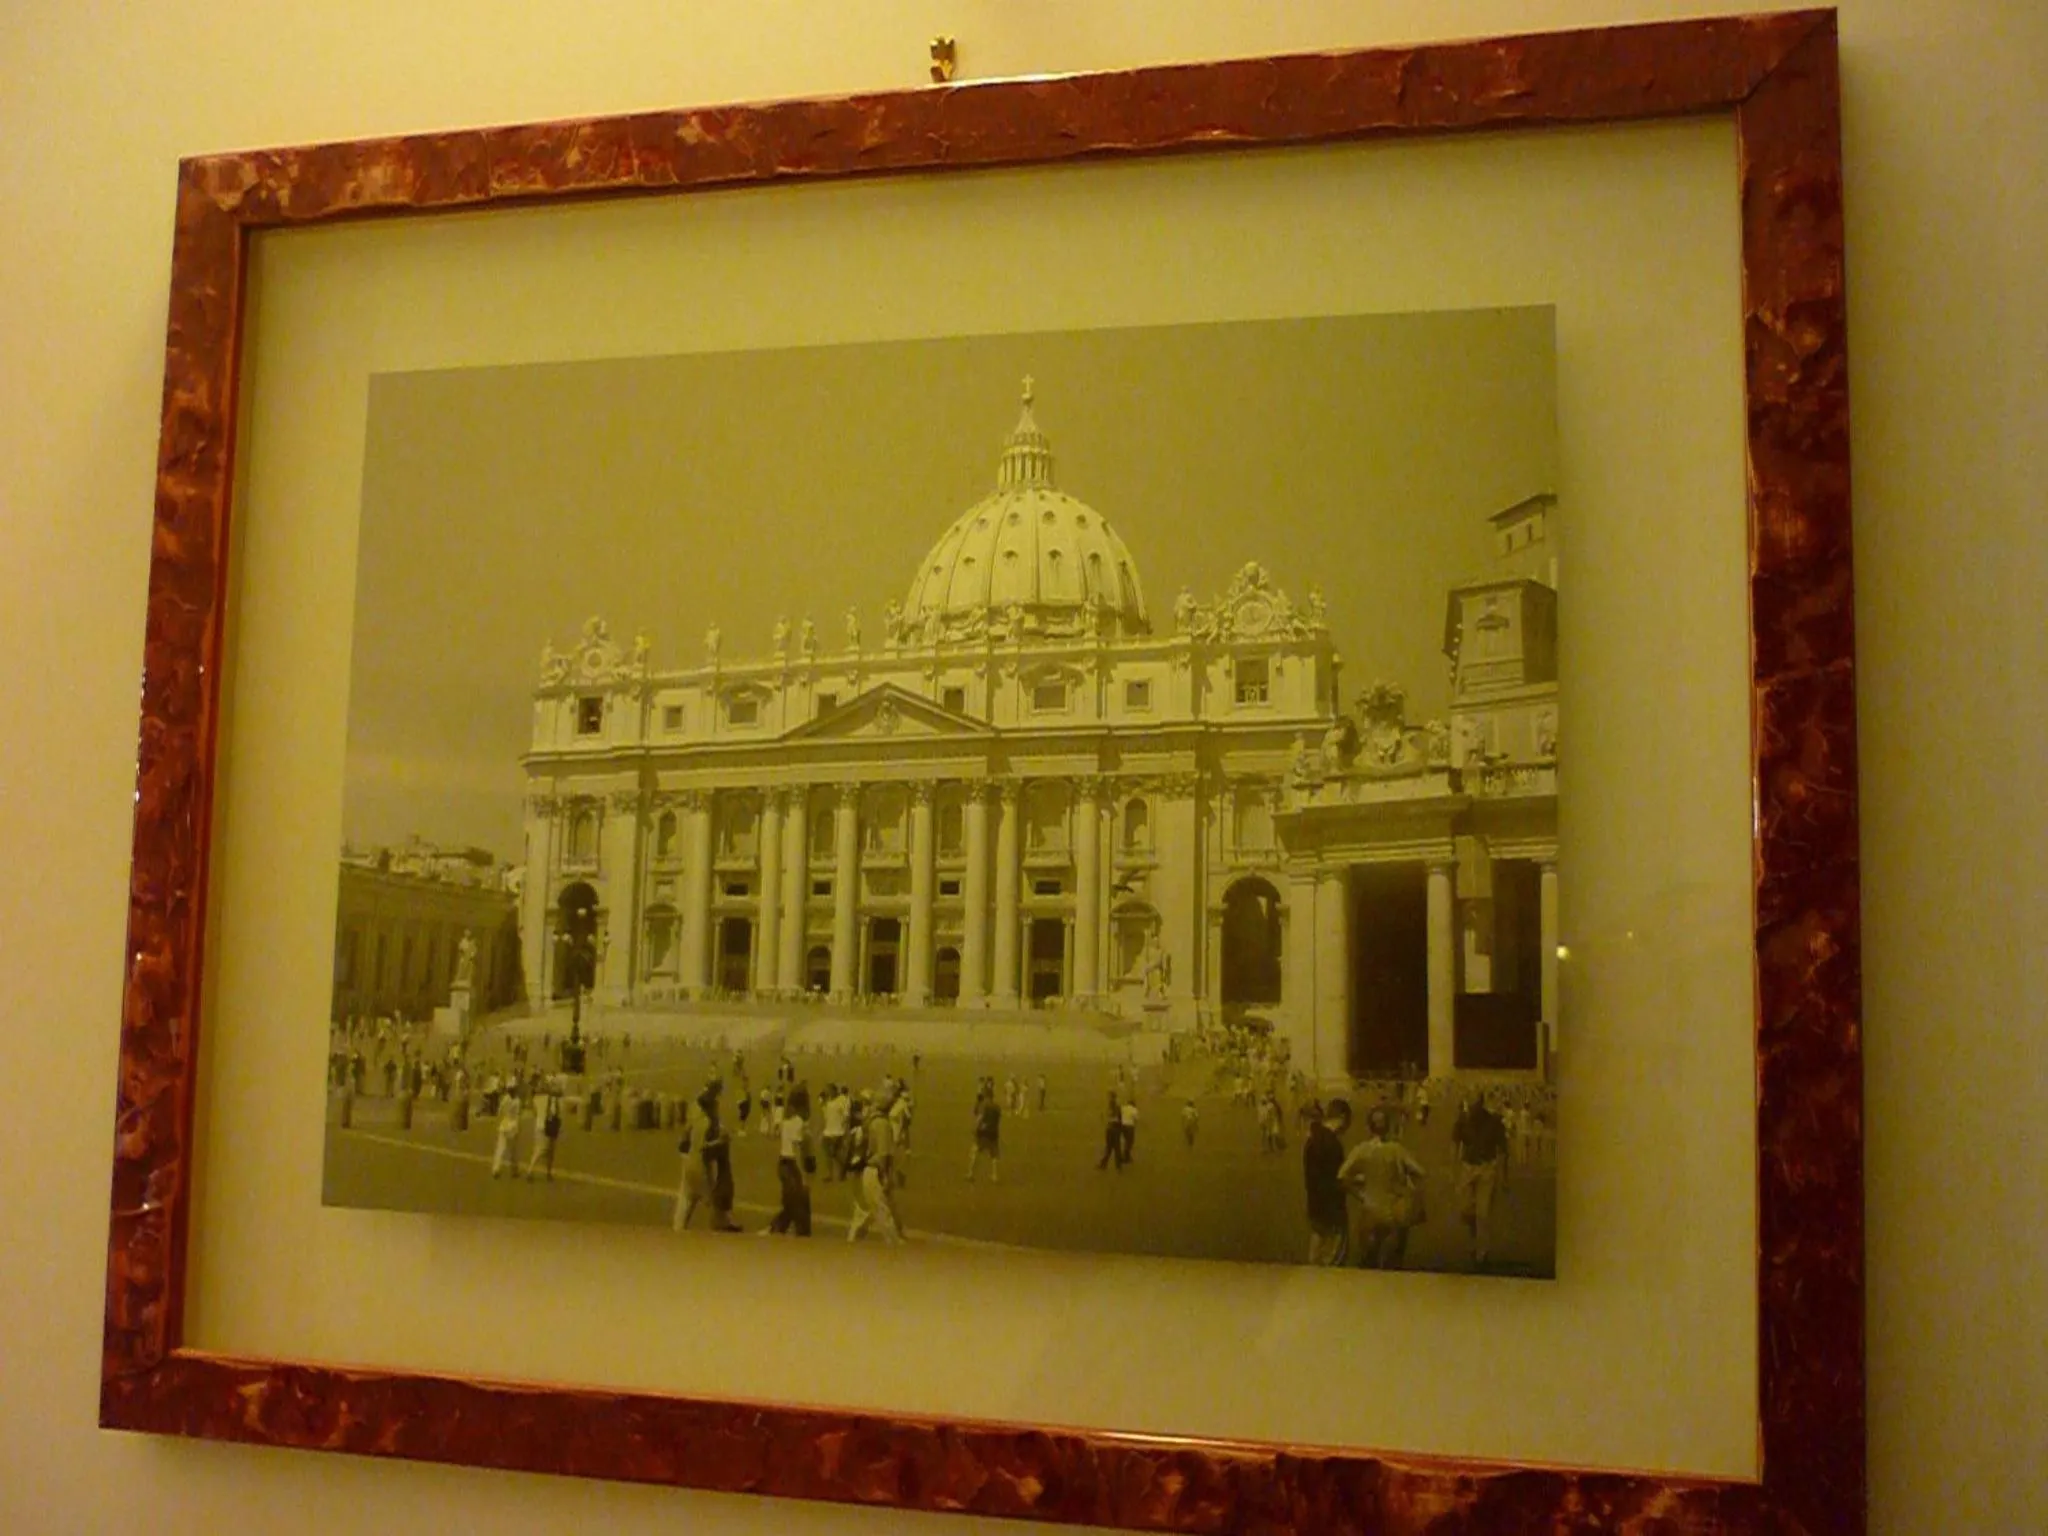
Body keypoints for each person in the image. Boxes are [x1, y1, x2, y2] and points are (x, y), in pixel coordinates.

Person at [1340, 1106, 1428, 1269]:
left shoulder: (1362, 1150)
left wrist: (1359, 1192)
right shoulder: (1397, 1150)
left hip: (1370, 1209)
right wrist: (1407, 1185)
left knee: (1368, 1262)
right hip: (1394, 1211)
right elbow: (1420, 1172)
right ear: (1388, 1126)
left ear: (1369, 1127)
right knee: (1393, 1264)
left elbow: (1342, 1176)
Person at [1453, 1090, 1510, 1267]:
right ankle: (1474, 1238)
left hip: (1487, 1168)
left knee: (1482, 1212)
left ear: (1481, 1105)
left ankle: (1482, 1252)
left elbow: (1503, 1150)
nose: (1471, 1109)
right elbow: (1455, 1143)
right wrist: (1453, 1169)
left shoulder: (1494, 1121)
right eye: (1469, 1105)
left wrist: (1504, 1176)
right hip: (1468, 1167)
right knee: (1466, 1210)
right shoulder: (1463, 1119)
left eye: (1474, 1105)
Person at [1302, 1097, 1353, 1265]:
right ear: (1342, 1118)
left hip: (1315, 1204)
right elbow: (1337, 1179)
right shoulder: (1333, 1144)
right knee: (1335, 1258)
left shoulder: (1312, 1139)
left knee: (1315, 1254)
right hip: (1332, 1208)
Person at [847, 1094, 902, 1244]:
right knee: (881, 1212)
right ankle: (894, 1244)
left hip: (865, 1170)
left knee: (867, 1212)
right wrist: (886, 1176)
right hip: (873, 1171)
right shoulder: (881, 1124)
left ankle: (853, 1242)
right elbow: (883, 1154)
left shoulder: (867, 1125)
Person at [768, 1083, 814, 1236]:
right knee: (799, 1208)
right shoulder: (798, 1123)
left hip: (784, 1164)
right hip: (792, 1166)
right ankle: (798, 1236)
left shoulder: (788, 1121)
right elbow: (797, 1152)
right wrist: (804, 1178)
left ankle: (776, 1228)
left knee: (790, 1204)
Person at [524, 1080, 562, 1181]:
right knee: (549, 1151)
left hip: (538, 1125)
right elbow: (554, 1113)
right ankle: (546, 1172)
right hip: (548, 1126)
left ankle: (531, 1170)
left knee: (538, 1149)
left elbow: (534, 1112)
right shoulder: (551, 1099)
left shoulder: (536, 1098)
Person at [967, 1084, 1002, 1183]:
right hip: (994, 1132)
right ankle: (994, 1176)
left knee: (975, 1151)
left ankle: (971, 1173)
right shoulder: (997, 1107)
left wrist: (975, 1128)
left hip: (983, 1132)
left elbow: (980, 1117)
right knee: (994, 1155)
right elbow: (998, 1119)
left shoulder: (984, 1105)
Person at [489, 1088, 523, 1179]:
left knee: (500, 1149)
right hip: (513, 1125)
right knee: (513, 1150)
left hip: (504, 1124)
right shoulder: (517, 1100)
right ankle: (514, 1170)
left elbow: (500, 1111)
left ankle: (496, 1169)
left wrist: (498, 1121)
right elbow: (518, 1115)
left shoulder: (505, 1099)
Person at [1096, 1091, 1124, 1171]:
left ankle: (1116, 1166)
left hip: (1114, 1129)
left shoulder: (1115, 1106)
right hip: (1112, 1129)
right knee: (1110, 1148)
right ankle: (1106, 1165)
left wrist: (1108, 1119)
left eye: (1109, 1096)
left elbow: (1117, 1118)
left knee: (1114, 1148)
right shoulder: (1113, 1106)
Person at [1119, 1093, 1140, 1166]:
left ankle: (1127, 1156)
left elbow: (1119, 1115)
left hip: (1122, 1126)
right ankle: (1125, 1156)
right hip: (1129, 1127)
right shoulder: (1134, 1109)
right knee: (1130, 1142)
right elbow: (1136, 1119)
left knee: (1126, 1141)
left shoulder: (1123, 1108)